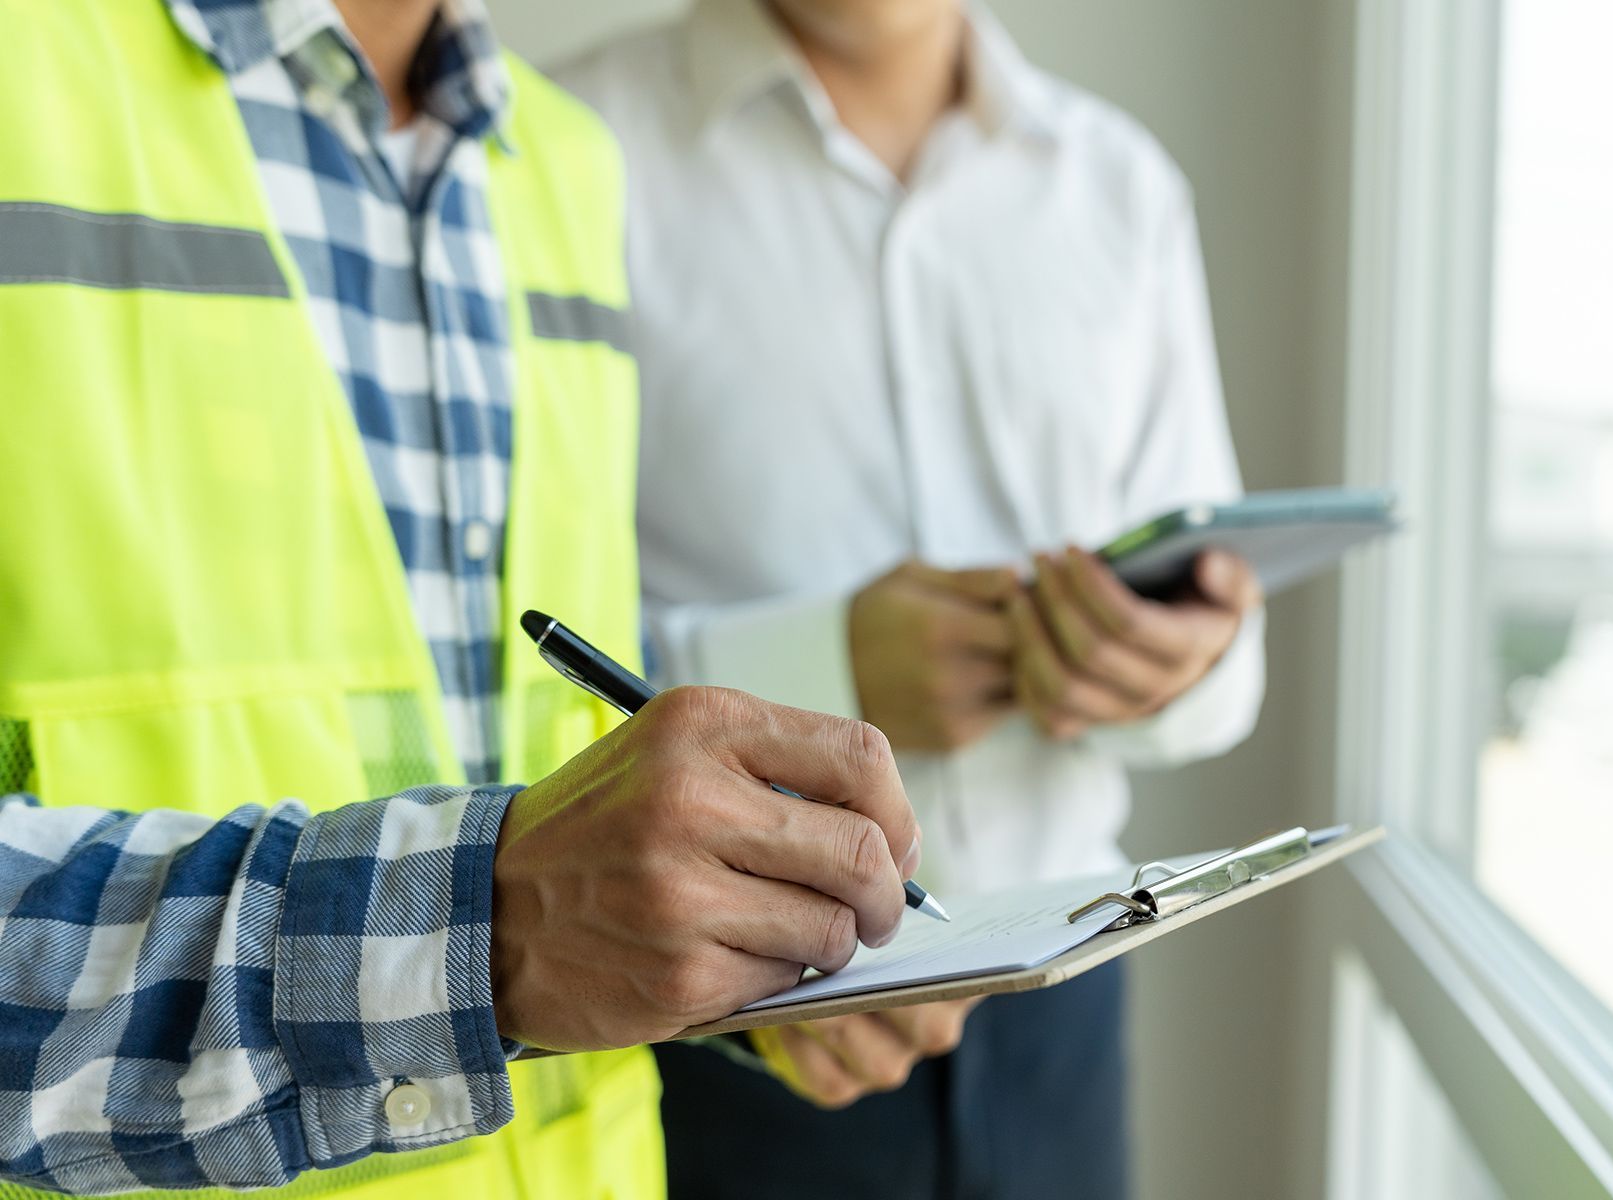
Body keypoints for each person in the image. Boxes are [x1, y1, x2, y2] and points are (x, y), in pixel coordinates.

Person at [0, 0, 936, 1194]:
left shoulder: (560, 162)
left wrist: (727, 931)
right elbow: (509, 900)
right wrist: (482, 934)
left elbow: (534, 735)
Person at [556, 1, 1266, 1195]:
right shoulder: (570, 150)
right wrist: (828, 670)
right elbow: (506, 651)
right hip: (734, 1014)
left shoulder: (1121, 188)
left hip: (1066, 1008)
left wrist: (1171, 665)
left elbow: (1224, 662)